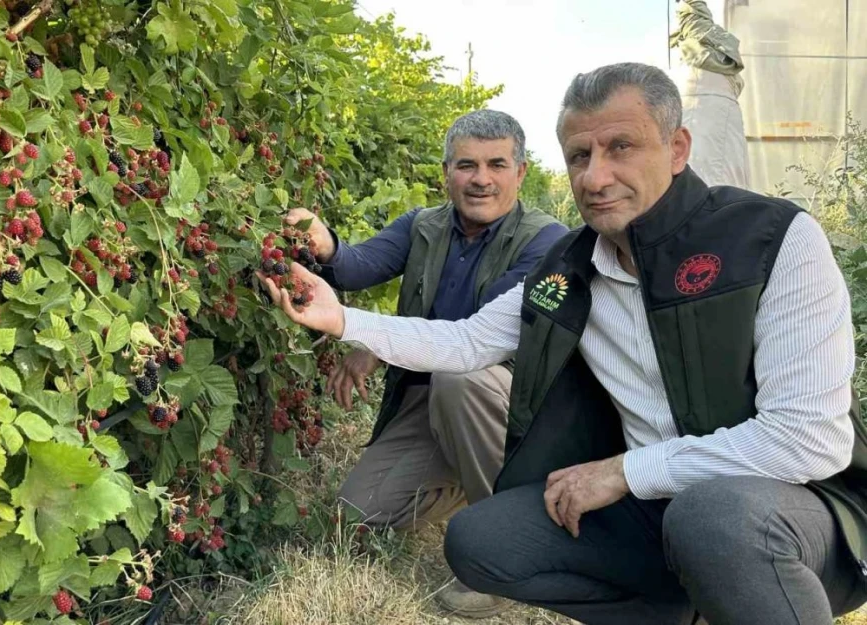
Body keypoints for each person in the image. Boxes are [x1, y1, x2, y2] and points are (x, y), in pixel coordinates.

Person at [260, 62, 867, 624]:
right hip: (652, 507)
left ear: (677, 149)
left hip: (799, 512)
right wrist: (341, 319)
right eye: (580, 155)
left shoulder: (773, 239)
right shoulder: (567, 269)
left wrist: (627, 471)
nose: (595, 176)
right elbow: (468, 342)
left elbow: (808, 439)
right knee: (481, 542)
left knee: (712, 516)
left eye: (620, 147)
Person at [282, 109, 567, 616]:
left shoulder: (545, 242)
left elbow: (474, 336)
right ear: (446, 173)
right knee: (354, 515)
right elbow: (359, 264)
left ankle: (505, 555)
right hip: (429, 399)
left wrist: (370, 341)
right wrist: (326, 245)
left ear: (521, 172)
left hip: (502, 402)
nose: (481, 179)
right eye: (466, 165)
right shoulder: (423, 225)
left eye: (497, 164)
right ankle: (468, 476)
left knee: (462, 381)